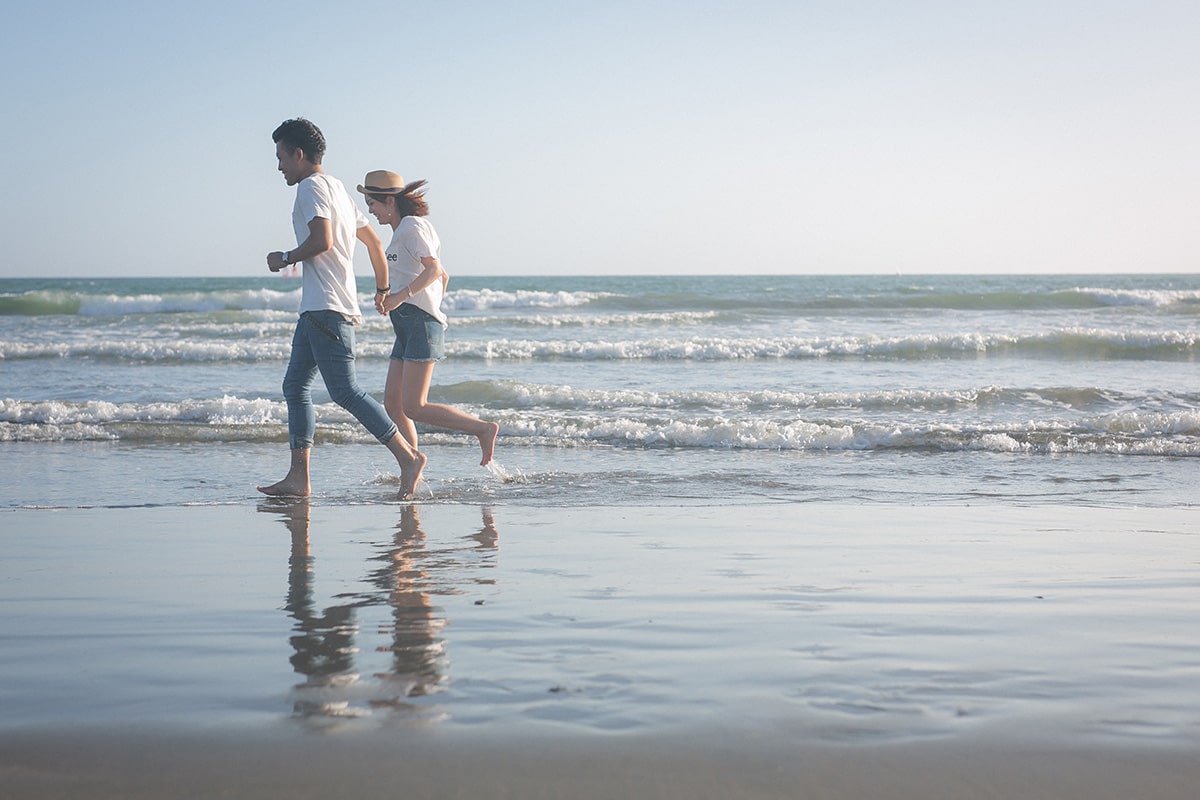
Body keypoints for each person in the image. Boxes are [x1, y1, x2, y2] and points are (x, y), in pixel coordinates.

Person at [257, 120, 426, 498]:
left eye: (281, 157)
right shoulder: (337, 189)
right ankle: (299, 478)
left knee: (345, 391)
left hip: (326, 308)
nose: (279, 166)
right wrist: (382, 288)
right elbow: (373, 244)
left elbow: (322, 240)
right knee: (295, 386)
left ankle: (407, 456)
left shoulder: (310, 188)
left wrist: (284, 257)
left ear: (298, 154)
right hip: (319, 308)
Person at [357, 170, 498, 466]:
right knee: (393, 404)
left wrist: (407, 299)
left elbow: (434, 269)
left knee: (414, 406)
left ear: (390, 201)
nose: (370, 210)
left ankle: (482, 429)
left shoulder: (411, 226)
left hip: (419, 324)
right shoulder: (403, 231)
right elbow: (443, 277)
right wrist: (394, 296)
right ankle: (412, 463)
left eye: (373, 203)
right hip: (408, 324)